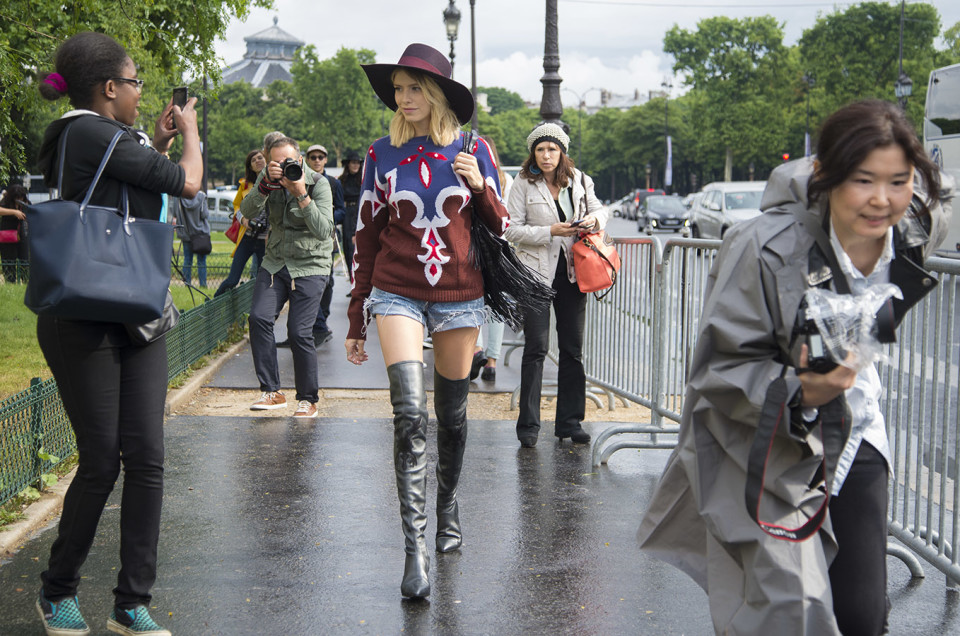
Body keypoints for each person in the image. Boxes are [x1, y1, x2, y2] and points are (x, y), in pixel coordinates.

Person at [637, 100, 952, 635]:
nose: (881, 200)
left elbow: (932, 205)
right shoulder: (761, 244)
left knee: (861, 614)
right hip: (765, 444)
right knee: (791, 612)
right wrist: (802, 391)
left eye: (898, 181)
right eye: (863, 180)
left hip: (857, 434)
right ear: (826, 176)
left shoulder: (913, 227)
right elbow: (722, 369)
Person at [32, 31, 202, 636]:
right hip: (85, 315)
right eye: (134, 82)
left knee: (147, 457)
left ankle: (132, 601)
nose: (140, 92)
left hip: (137, 310)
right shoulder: (86, 131)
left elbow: (122, 181)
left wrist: (151, 139)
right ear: (109, 88)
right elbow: (186, 183)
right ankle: (57, 592)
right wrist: (189, 137)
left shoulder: (99, 137)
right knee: (103, 460)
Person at [345, 43, 509, 599]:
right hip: (397, 292)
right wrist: (354, 312)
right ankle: (414, 549)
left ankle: (447, 504)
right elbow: (365, 236)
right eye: (398, 89)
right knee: (410, 414)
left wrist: (481, 186)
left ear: (436, 94)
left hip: (460, 294)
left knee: (452, 414)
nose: (404, 98)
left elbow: (501, 226)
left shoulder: (472, 147)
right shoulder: (379, 155)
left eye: (414, 88)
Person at [504, 123, 608, 448]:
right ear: (533, 153)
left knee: (572, 350)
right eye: (540, 149)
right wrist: (551, 231)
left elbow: (600, 210)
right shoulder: (523, 183)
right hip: (535, 274)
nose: (546, 155)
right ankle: (529, 426)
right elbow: (511, 230)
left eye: (552, 149)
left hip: (574, 273)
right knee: (535, 348)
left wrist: (595, 221)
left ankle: (570, 422)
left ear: (562, 152)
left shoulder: (579, 180)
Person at [241, 136, 334, 418]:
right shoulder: (266, 179)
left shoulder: (319, 183)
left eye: (288, 162)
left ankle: (308, 399)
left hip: (311, 265)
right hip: (275, 262)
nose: (283, 167)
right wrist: (265, 187)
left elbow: (324, 230)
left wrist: (300, 193)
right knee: (258, 318)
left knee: (299, 331)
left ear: (300, 159)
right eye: (277, 163)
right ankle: (272, 391)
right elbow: (245, 212)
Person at [472, 136, 513, 382]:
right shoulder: (505, 179)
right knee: (497, 306)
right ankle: (492, 361)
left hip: (474, 245)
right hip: (500, 246)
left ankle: (476, 349)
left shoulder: (470, 174)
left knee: (472, 300)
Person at [214, 149, 269, 297]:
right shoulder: (245, 185)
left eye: (260, 158)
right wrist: (243, 219)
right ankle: (213, 304)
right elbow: (236, 205)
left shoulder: (276, 183)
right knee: (232, 280)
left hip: (265, 240)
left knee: (262, 280)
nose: (258, 161)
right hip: (247, 238)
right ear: (250, 167)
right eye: (253, 160)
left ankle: (255, 310)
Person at [305, 143, 345, 345]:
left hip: (326, 238)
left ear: (326, 160)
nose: (317, 160)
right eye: (313, 157)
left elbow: (341, 211)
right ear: (307, 159)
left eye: (321, 157)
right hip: (304, 239)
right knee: (307, 280)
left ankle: (322, 318)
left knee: (326, 280)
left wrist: (327, 216)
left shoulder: (333, 183)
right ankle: (317, 323)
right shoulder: (300, 181)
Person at [171, 190, 209, 287]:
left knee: (187, 259)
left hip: (186, 232)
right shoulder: (202, 196)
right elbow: (204, 215)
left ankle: (187, 283)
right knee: (201, 260)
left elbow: (175, 212)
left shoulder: (179, 197)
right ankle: (203, 284)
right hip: (200, 234)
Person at [339, 148, 363, 289]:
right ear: (348, 164)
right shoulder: (342, 180)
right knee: (348, 248)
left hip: (360, 211)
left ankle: (360, 284)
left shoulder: (364, 179)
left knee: (360, 247)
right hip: (348, 213)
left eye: (357, 163)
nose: (355, 165)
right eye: (353, 163)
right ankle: (353, 283)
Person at [0, 184, 29, 283]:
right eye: (17, 197)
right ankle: (10, 281)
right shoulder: (5, 202)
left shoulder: (26, 203)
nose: (19, 199)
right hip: (8, 235)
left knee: (25, 260)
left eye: (21, 197)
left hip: (23, 235)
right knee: (9, 261)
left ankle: (26, 281)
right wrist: (14, 212)